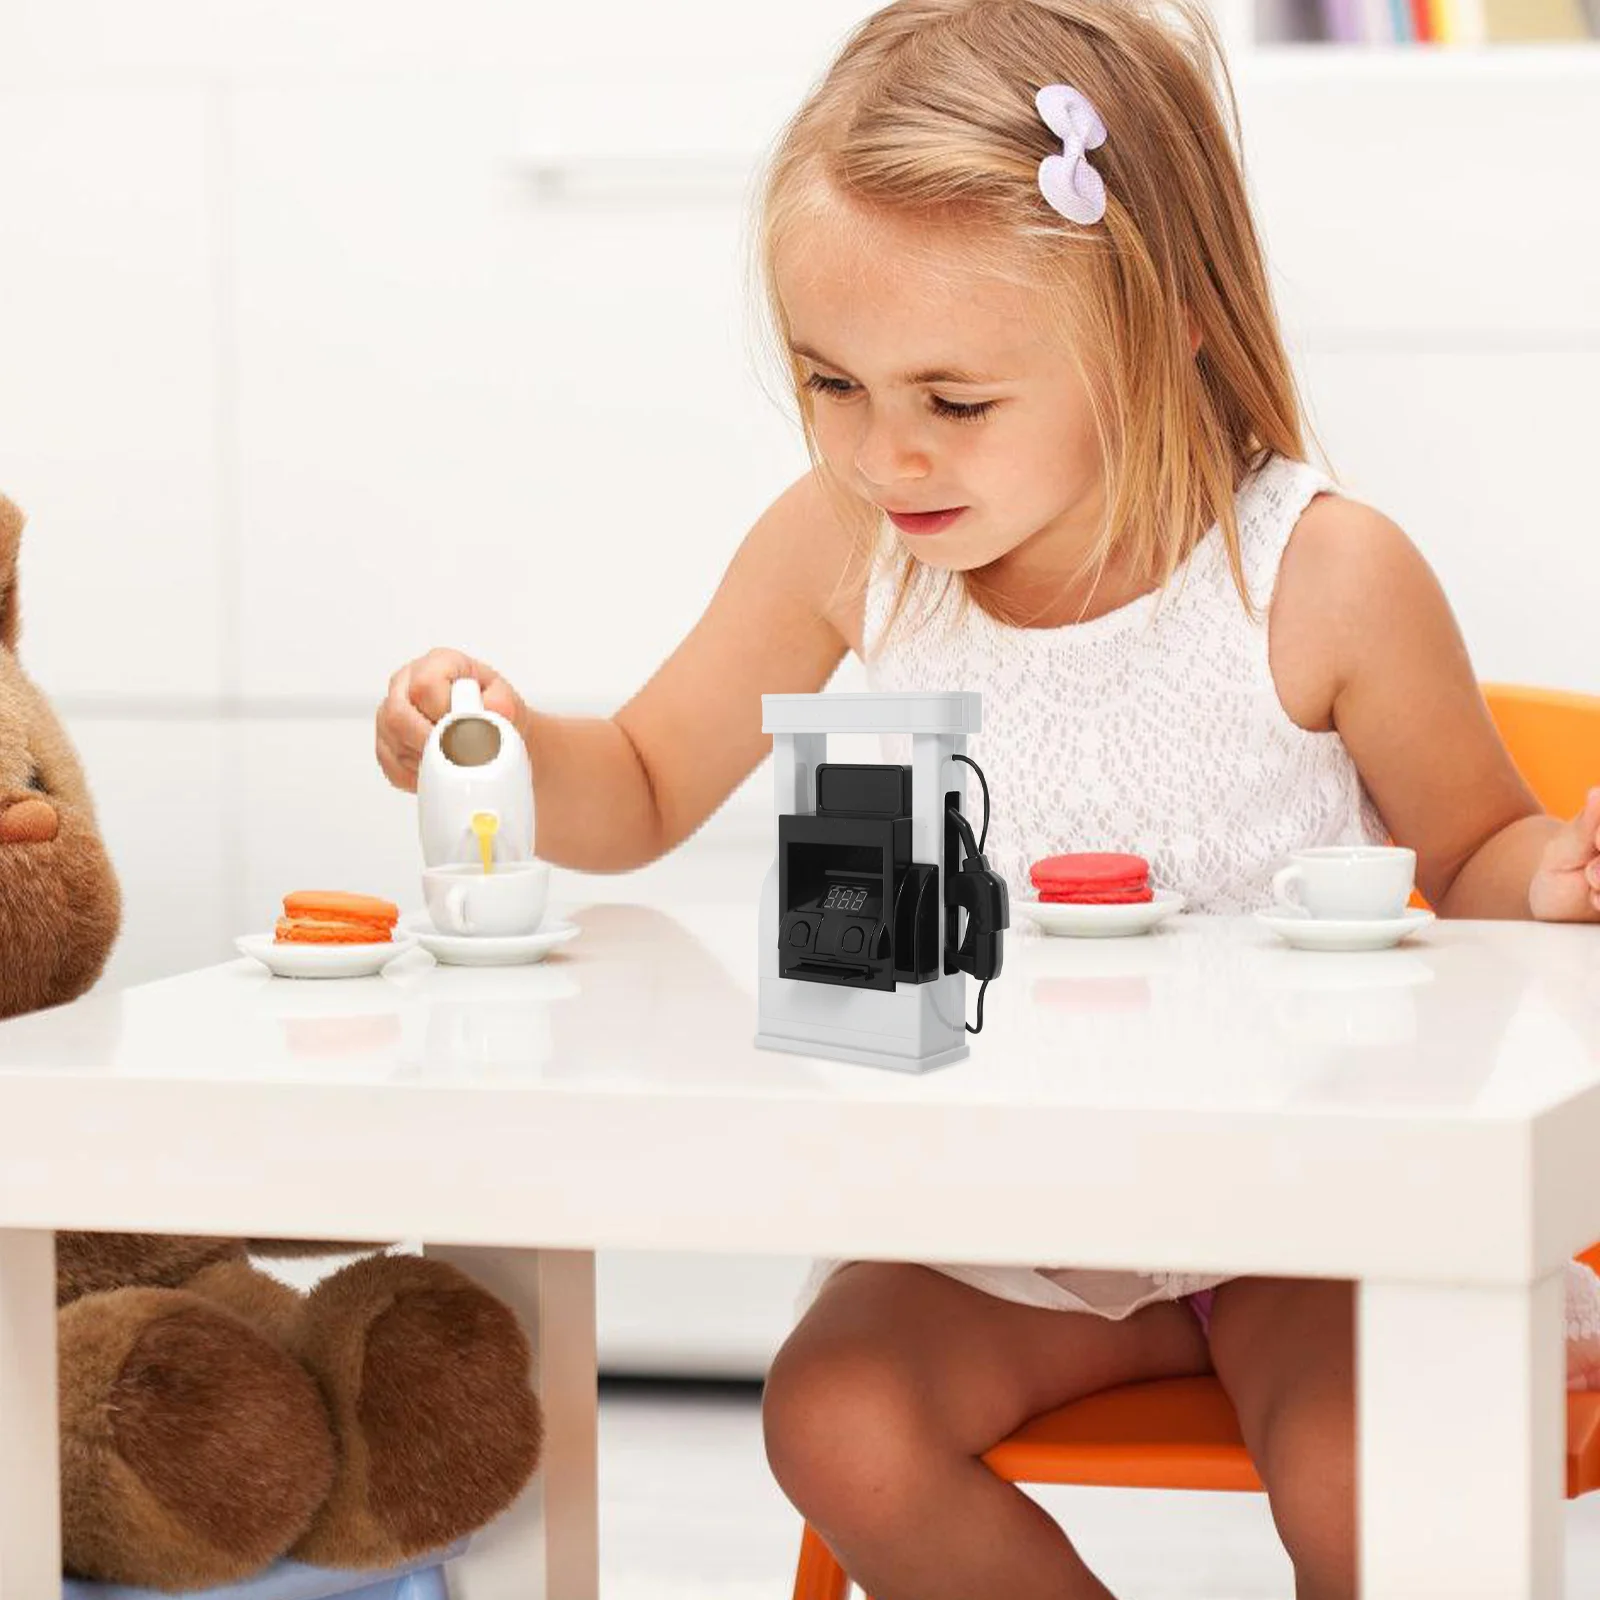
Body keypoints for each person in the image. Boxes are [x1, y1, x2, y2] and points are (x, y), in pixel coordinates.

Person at [374, 3, 1600, 1593]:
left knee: (1376, 1475)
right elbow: (651, 781)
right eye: (830, 383)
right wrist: (513, 748)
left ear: (1162, 332)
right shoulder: (843, 550)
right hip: (1002, 1227)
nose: (886, 456)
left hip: (1304, 1207)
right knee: (837, 1418)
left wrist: (1555, 874)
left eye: (954, 402)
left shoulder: (1319, 576)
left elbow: (1479, 848)